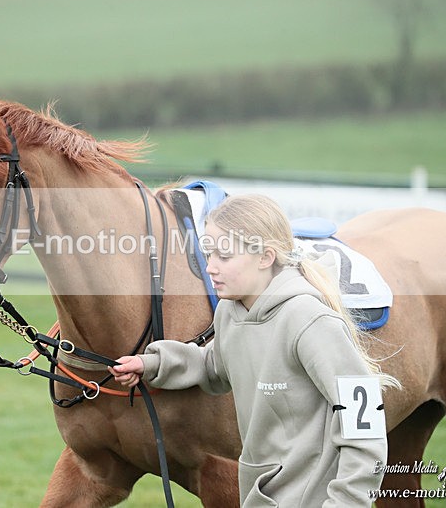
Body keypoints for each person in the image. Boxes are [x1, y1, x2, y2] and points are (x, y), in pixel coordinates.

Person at [109, 194, 400, 507]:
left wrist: (347, 501)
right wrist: (152, 363)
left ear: (265, 257)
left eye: (224, 256)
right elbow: (215, 365)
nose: (210, 268)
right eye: (208, 255)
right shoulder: (230, 313)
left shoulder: (309, 319)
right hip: (259, 496)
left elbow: (365, 423)